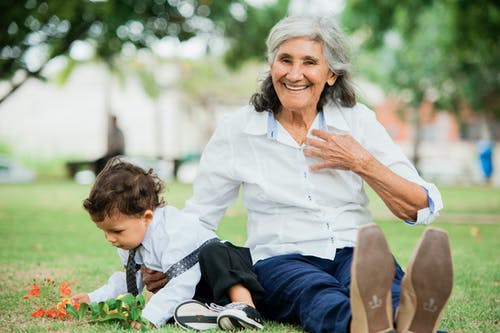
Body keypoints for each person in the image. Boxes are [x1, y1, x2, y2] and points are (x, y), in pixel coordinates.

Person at [144, 15, 453, 333]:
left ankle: (404, 317)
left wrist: (362, 162)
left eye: (309, 62)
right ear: (271, 65)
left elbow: (421, 206)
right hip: (281, 258)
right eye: (285, 60)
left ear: (330, 73)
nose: (294, 74)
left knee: (386, 288)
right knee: (314, 294)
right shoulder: (238, 129)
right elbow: (202, 215)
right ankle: (369, 324)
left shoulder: (357, 121)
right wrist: (169, 262)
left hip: (356, 250)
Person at [71, 157, 265, 330]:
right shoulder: (130, 242)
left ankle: (246, 308)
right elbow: (131, 281)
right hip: (199, 291)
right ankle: (213, 313)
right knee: (172, 311)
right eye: (104, 231)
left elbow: (181, 285)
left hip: (227, 273)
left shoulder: (174, 232)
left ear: (146, 217)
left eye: (116, 231)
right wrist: (93, 298)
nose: (110, 238)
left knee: (214, 252)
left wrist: (150, 317)